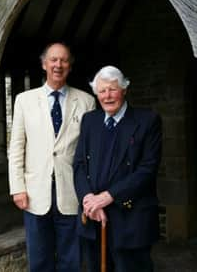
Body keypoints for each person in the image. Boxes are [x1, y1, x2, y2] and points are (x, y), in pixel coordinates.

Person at [8, 42, 95, 272]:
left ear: (70, 66)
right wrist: (17, 187)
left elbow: (90, 154)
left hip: (72, 193)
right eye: (54, 60)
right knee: (39, 260)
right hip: (35, 194)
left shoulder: (86, 102)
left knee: (71, 259)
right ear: (44, 64)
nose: (59, 64)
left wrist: (90, 193)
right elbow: (16, 148)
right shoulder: (24, 101)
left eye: (64, 60)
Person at [73, 65, 162, 272]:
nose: (107, 96)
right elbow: (79, 164)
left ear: (124, 90)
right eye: (102, 91)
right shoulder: (90, 121)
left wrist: (107, 196)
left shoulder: (147, 121)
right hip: (94, 219)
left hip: (131, 222)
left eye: (112, 89)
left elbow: (147, 170)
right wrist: (88, 199)